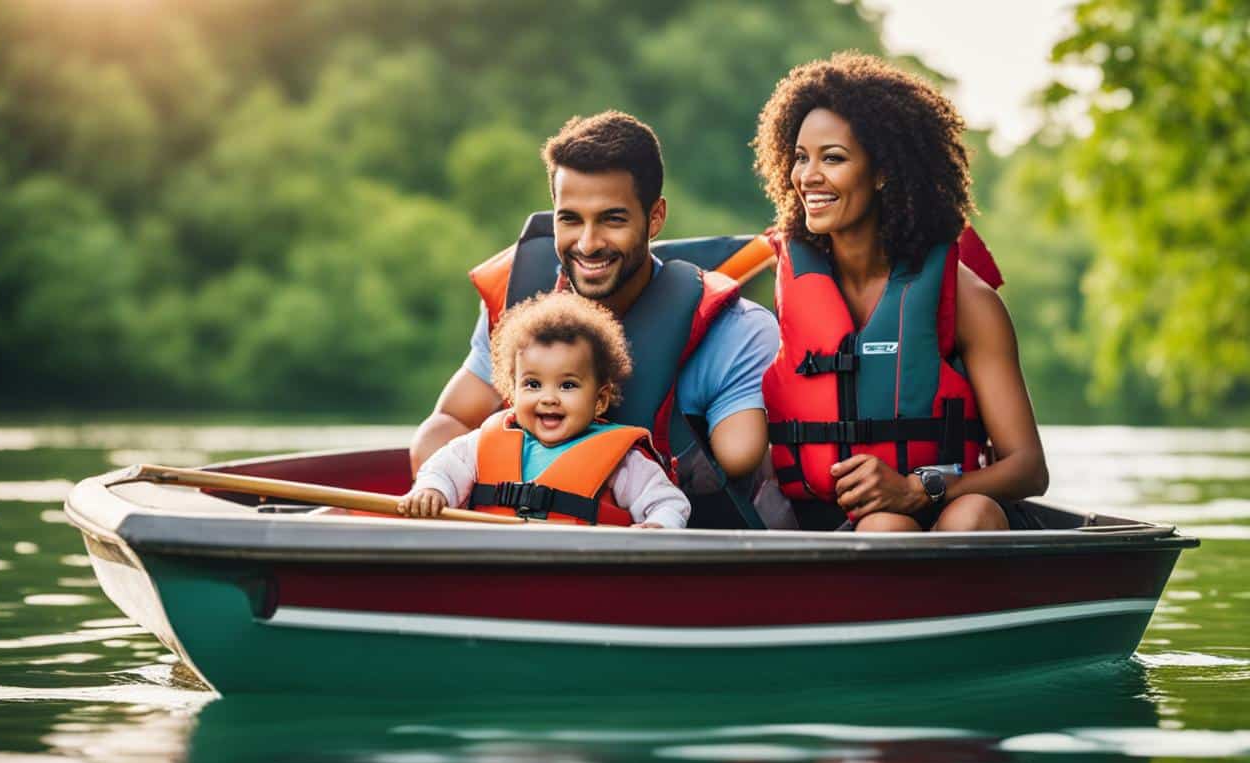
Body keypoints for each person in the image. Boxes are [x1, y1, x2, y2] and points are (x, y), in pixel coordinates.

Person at [410, 111, 780, 528]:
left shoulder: (738, 331)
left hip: (665, 564)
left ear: (655, 217)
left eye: (612, 219)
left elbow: (748, 465)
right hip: (518, 550)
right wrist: (443, 488)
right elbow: (449, 423)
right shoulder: (520, 299)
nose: (588, 244)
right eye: (570, 219)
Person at [752, 52, 1049, 532]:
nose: (808, 177)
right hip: (835, 529)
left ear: (883, 172)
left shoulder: (966, 300)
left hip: (953, 507)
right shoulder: (779, 285)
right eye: (800, 157)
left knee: (971, 516)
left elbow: (1029, 468)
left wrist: (917, 489)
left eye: (833, 158)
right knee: (883, 528)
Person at [400, 293, 690, 528]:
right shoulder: (479, 444)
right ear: (512, 392)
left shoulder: (624, 462)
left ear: (599, 400)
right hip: (494, 566)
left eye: (567, 386)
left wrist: (658, 526)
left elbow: (667, 503)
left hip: (580, 572)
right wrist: (432, 491)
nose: (548, 398)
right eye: (533, 384)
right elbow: (442, 470)